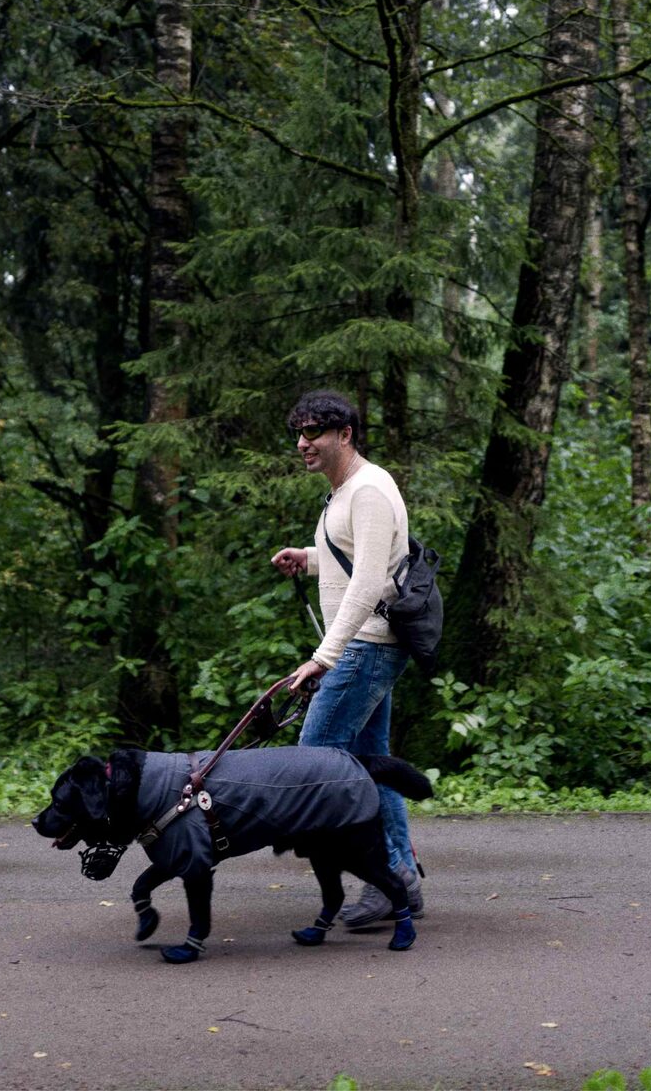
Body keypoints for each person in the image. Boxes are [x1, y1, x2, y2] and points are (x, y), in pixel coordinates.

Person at [270, 389, 424, 926]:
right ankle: (400, 878)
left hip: (365, 649)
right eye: (299, 433)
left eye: (313, 433)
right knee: (372, 767)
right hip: (364, 647)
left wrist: (324, 656)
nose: (302, 443)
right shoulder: (344, 493)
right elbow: (352, 562)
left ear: (345, 435)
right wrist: (308, 559)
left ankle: (382, 880)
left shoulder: (369, 491)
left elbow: (369, 581)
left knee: (316, 767)